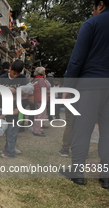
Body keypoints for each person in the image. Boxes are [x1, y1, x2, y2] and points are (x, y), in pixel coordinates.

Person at [60, 0, 109, 189]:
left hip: (90, 85)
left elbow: (77, 59)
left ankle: (77, 172)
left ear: (101, 5)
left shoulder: (92, 24)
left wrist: (68, 88)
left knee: (82, 128)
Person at [0, 60, 29, 154]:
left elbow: (30, 89)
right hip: (2, 106)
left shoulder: (23, 78)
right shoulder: (2, 77)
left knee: (13, 129)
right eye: (13, 73)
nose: (15, 75)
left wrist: (17, 89)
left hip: (15, 107)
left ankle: (11, 146)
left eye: (17, 74)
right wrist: (6, 89)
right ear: (10, 69)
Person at [0, 92, 19, 158]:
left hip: (13, 123)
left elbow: (16, 112)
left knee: (11, 138)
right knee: (8, 137)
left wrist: (6, 113)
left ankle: (10, 153)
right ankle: (7, 150)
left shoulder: (15, 102)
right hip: (9, 122)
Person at [32, 67, 50, 137]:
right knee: (41, 115)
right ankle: (37, 131)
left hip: (37, 98)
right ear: (42, 72)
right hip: (42, 98)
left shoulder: (35, 79)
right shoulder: (41, 79)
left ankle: (36, 129)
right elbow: (46, 87)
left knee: (37, 115)